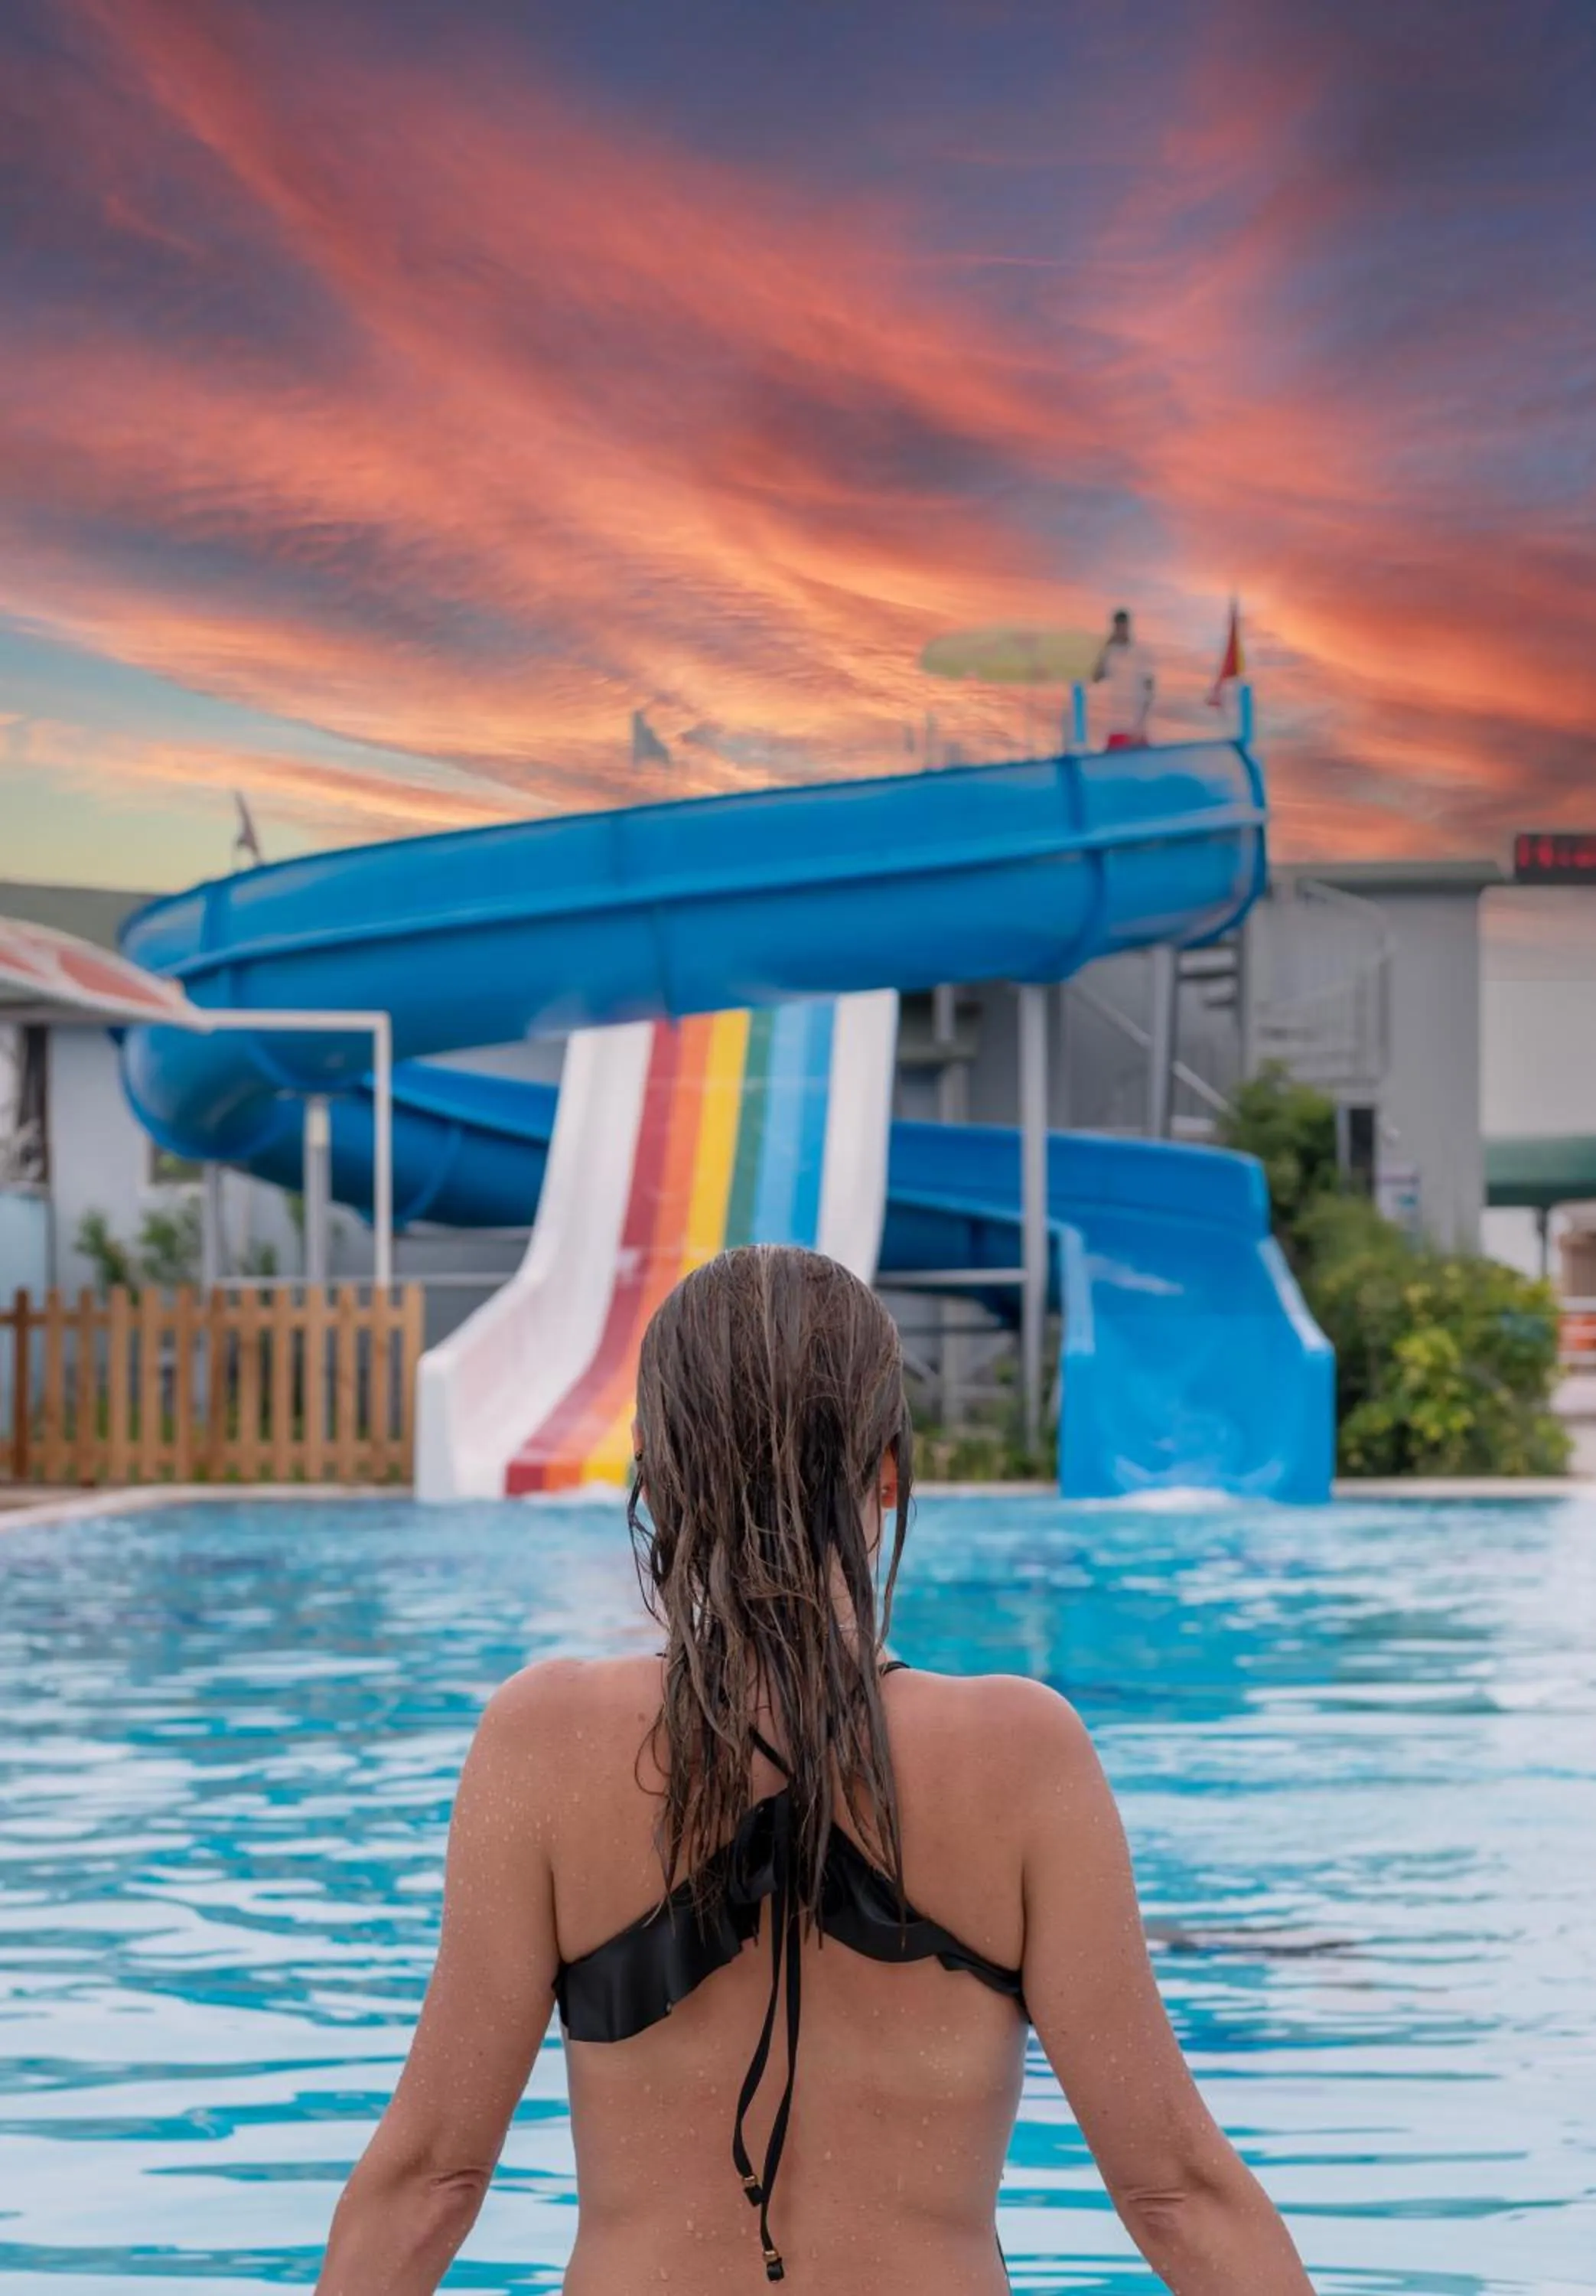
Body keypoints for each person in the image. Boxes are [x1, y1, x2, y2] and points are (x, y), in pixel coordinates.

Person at [316, 1247, 1314, 2294]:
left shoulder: (541, 1744)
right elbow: (1174, 2197)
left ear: (653, 1472)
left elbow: (430, 2181)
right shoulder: (1021, 1757)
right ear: (886, 1470)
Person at [1093, 607, 1155, 747]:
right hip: (1116, 725)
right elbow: (1096, 677)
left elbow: (1150, 690)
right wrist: (1105, 648)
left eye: (1123, 626)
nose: (1120, 630)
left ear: (1128, 626)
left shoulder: (1141, 652)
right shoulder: (1111, 653)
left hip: (1135, 726)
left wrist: (1141, 724)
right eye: (1117, 626)